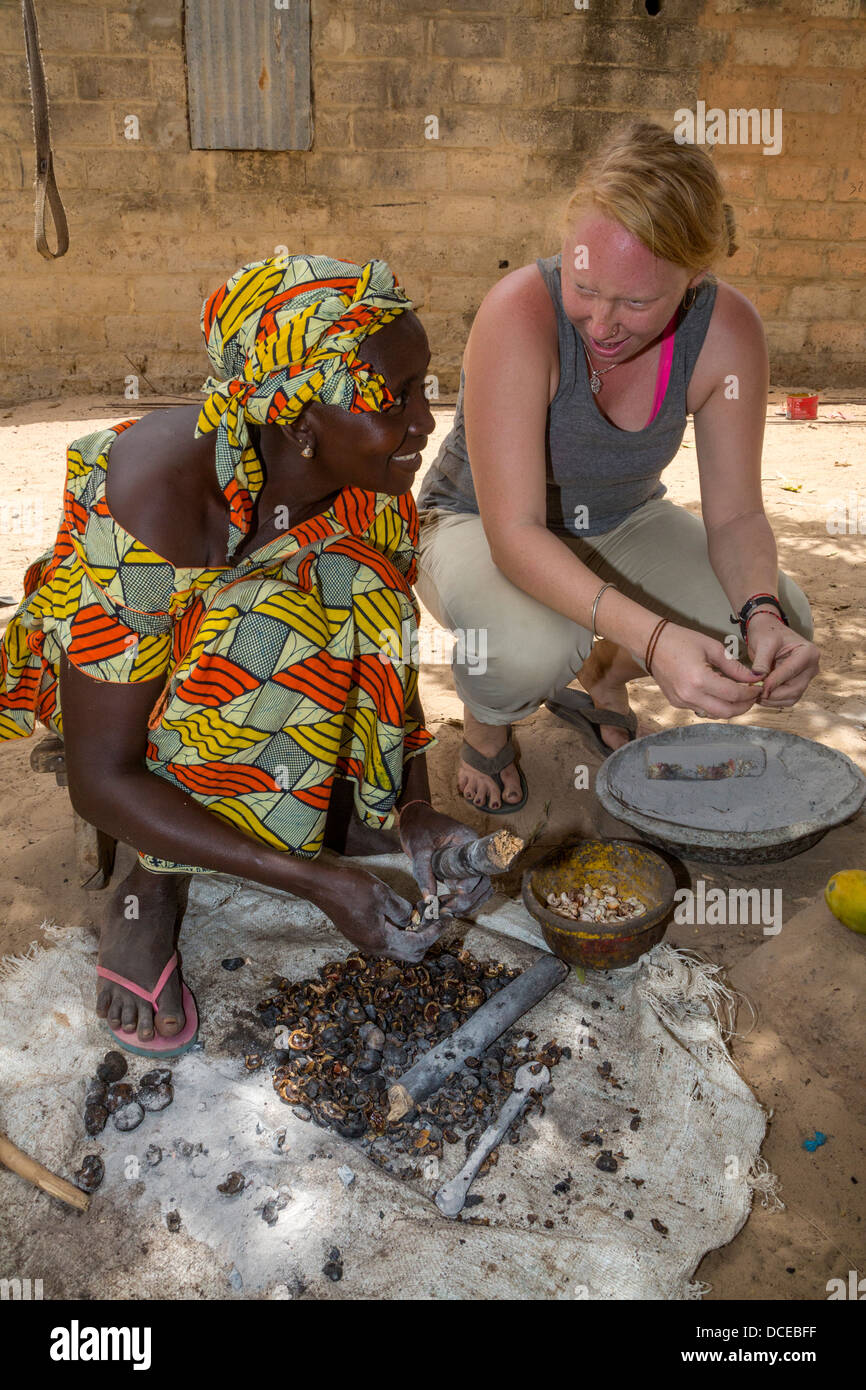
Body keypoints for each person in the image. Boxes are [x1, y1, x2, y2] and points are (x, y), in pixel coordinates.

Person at [0, 253, 490, 1054]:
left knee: (346, 584)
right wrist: (310, 879)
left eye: (421, 388)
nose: (424, 423)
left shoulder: (371, 488)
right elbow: (101, 777)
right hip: (120, 694)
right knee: (269, 627)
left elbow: (388, 660)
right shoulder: (156, 495)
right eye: (390, 399)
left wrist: (412, 809)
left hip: (238, 680)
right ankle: (151, 891)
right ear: (299, 420)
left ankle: (343, 810)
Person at [416, 120, 819, 813]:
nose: (601, 323)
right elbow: (515, 534)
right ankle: (488, 721)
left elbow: (738, 515)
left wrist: (761, 614)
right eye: (585, 286)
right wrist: (658, 638)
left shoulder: (727, 332)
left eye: (636, 302)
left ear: (694, 279)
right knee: (530, 648)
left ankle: (604, 670)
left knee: (781, 627)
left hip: (621, 517)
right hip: (476, 520)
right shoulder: (519, 313)